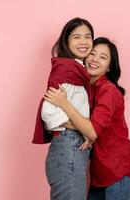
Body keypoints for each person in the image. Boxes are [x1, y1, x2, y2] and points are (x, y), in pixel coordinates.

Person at [44, 37, 130, 200]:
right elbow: (88, 128)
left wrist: (64, 104)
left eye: (103, 57)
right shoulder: (84, 89)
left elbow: (92, 131)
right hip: (99, 174)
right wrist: (82, 127)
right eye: (92, 54)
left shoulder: (108, 90)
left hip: (118, 172)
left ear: (110, 66)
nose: (95, 59)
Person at [32, 17, 94, 200]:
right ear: (66, 41)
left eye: (87, 36)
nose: (83, 42)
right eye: (76, 37)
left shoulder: (77, 70)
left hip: (71, 148)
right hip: (68, 147)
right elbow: (48, 113)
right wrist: (84, 129)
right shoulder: (66, 70)